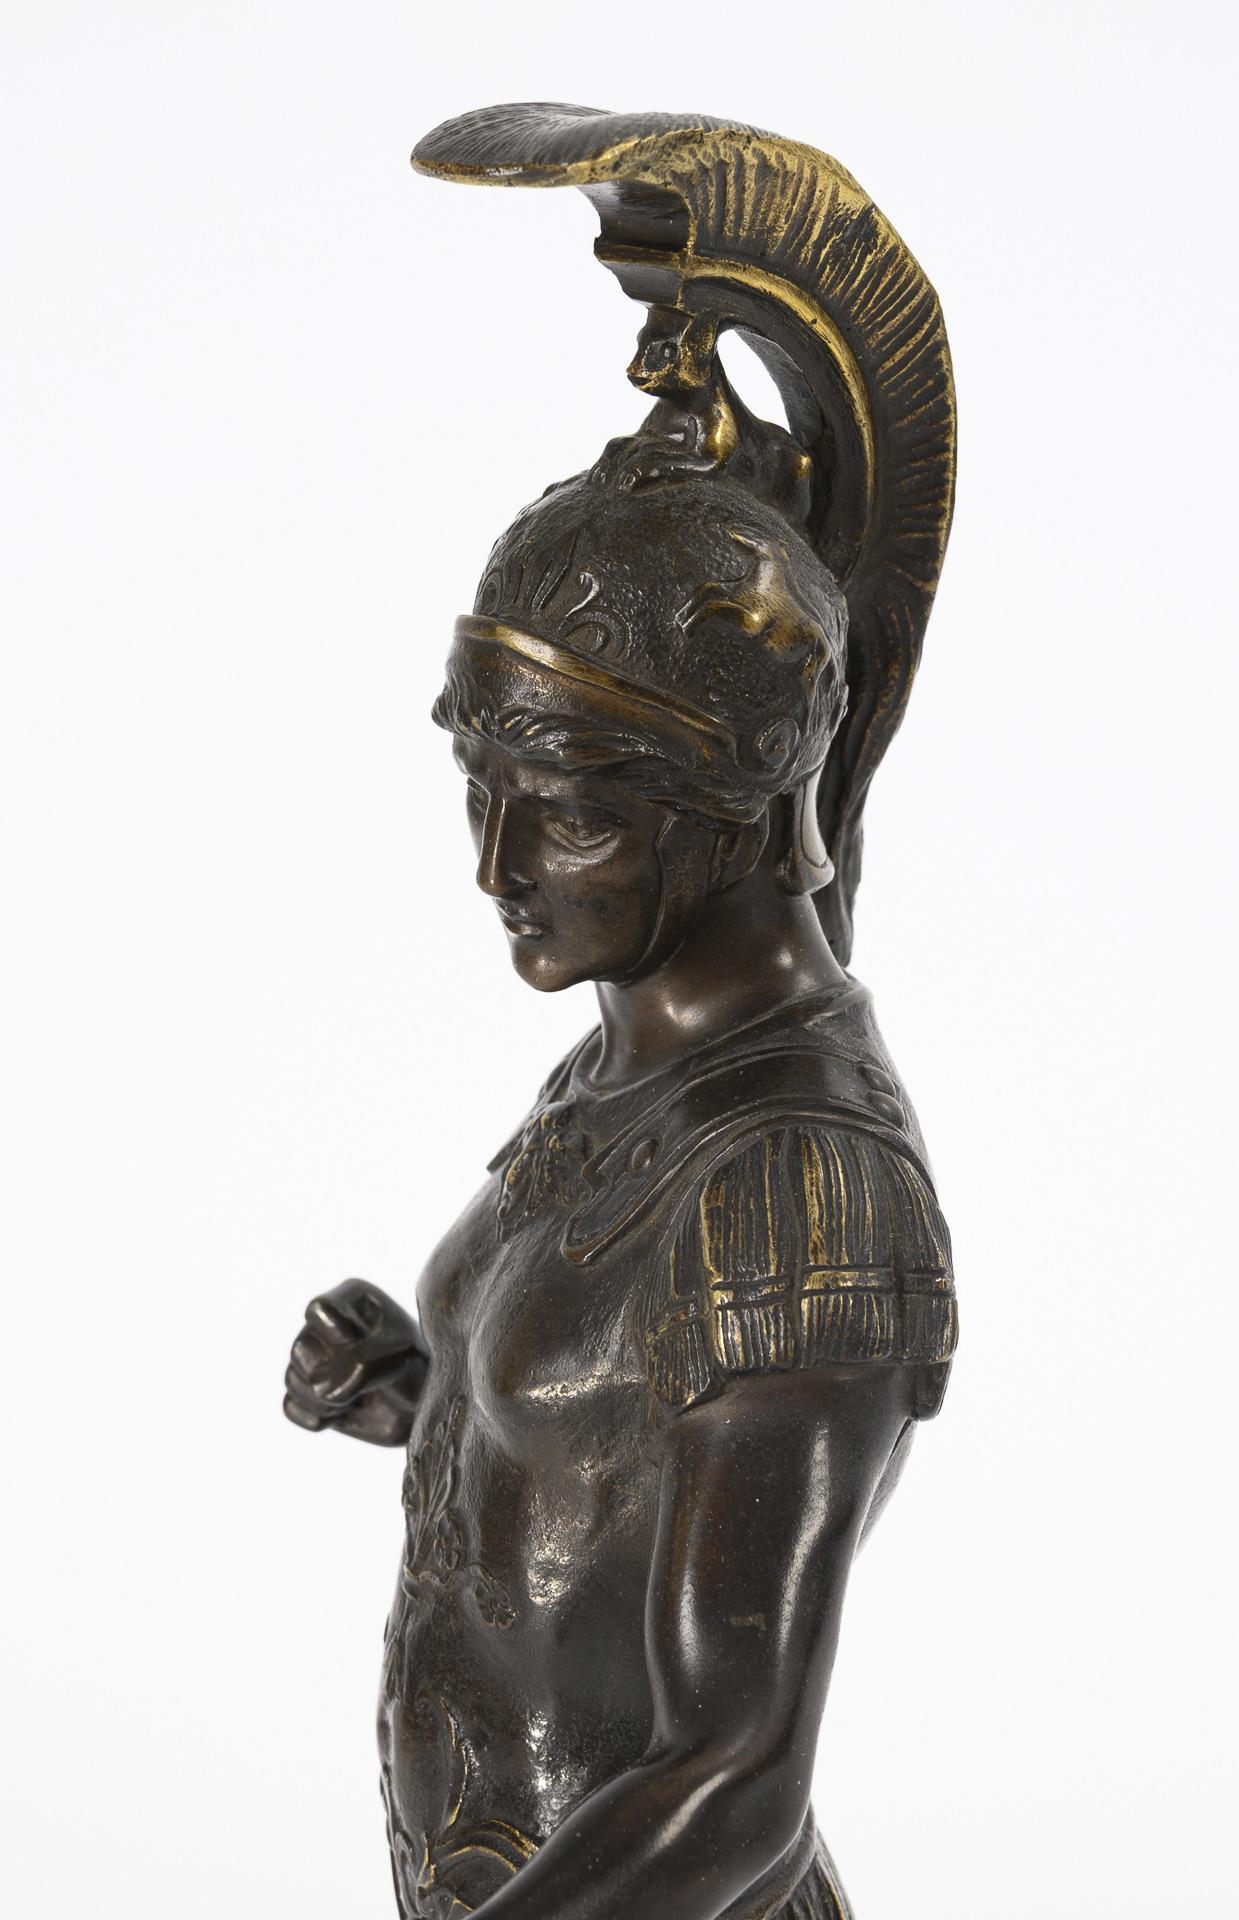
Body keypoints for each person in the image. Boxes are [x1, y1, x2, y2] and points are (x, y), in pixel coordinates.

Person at [283, 104, 959, 1919]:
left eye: (568, 804)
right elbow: (610, 1474)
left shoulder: (803, 1192)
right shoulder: (634, 1071)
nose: (497, 862)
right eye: (482, 785)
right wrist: (435, 1401)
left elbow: (734, 1782)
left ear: (734, 800)